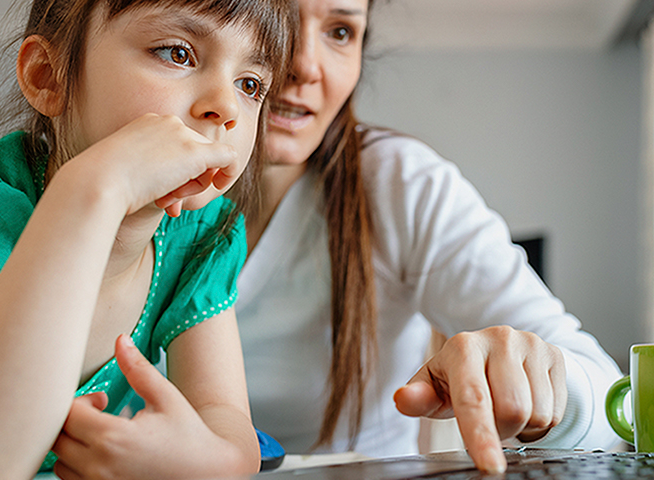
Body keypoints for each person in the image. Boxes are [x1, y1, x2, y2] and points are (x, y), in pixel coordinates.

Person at [236, 0, 624, 474]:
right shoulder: (149, 193)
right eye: (279, 16)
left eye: (340, 31)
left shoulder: (402, 184)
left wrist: (540, 378)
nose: (305, 65)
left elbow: (612, 404)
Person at [0, 0, 295, 478]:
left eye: (250, 84)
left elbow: (228, 427)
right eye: (177, 53)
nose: (226, 107)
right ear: (48, 77)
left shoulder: (201, 234)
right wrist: (92, 190)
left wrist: (203, 462)